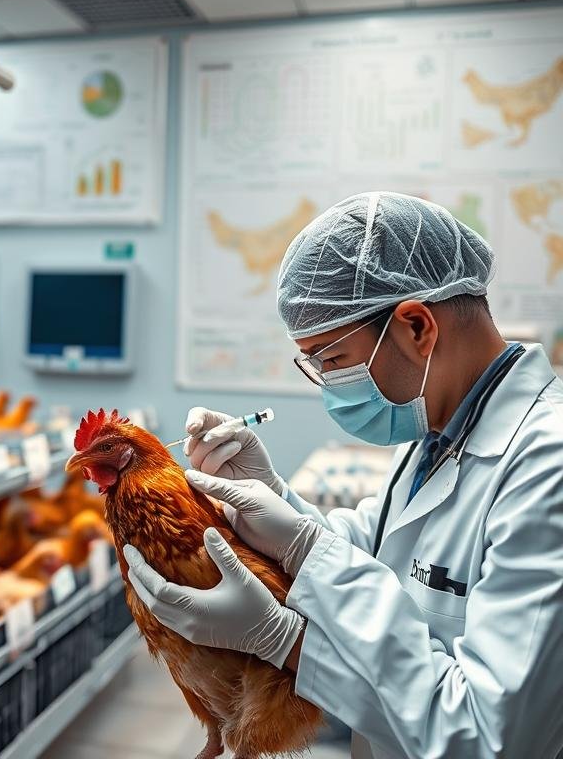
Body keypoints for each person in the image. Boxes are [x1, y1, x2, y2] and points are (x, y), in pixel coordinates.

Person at [124, 192, 563, 759]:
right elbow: (379, 554)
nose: (329, 385)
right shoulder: (440, 429)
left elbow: (486, 735)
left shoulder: (546, 467)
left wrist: (292, 643)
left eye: (332, 360)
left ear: (417, 326)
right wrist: (276, 501)